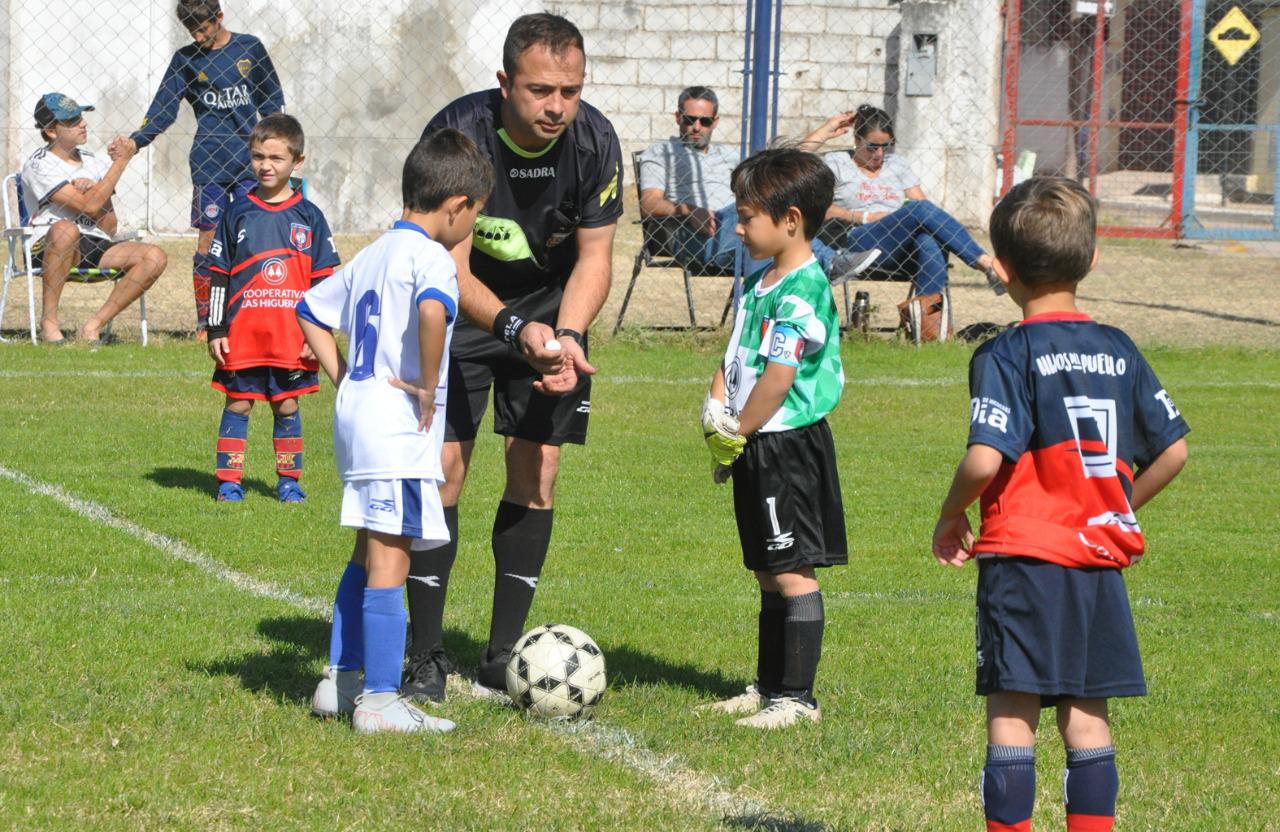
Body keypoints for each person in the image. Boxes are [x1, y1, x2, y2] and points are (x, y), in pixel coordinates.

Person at [931, 177, 1189, 831]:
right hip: (1097, 556)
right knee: (1087, 714)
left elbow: (984, 459)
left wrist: (951, 512)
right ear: (1092, 259)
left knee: (1012, 712)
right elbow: (1174, 452)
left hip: (1024, 557)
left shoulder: (1006, 352)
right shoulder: (1120, 348)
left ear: (1003, 269)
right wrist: (1115, 506)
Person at [399, 12, 621, 703]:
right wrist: (515, 326)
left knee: (538, 467)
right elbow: (450, 264)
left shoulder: (595, 140)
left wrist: (570, 336)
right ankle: (425, 655)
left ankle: (503, 655)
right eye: (539, 90)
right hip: (459, 312)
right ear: (505, 83)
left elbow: (596, 256)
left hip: (552, 314)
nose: (557, 106)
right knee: (444, 468)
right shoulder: (460, 133)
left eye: (570, 91)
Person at [299, 128, 493, 733]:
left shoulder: (373, 253)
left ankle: (341, 680)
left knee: (366, 547)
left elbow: (309, 309)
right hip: (396, 429)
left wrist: (345, 377)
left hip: (358, 421)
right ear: (457, 206)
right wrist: (429, 385)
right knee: (392, 556)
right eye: (476, 217)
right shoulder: (431, 257)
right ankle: (381, 700)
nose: (473, 228)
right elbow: (433, 310)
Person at [698, 147, 847, 729]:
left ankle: (798, 699)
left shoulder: (802, 290)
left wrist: (738, 430)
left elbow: (780, 379)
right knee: (766, 568)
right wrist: (717, 408)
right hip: (755, 438)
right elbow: (736, 354)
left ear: (790, 220)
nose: (738, 228)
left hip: (786, 446)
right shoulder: (763, 281)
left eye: (746, 217)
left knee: (792, 569)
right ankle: (767, 687)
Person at [118, 0, 284, 338]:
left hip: (251, 163)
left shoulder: (249, 48)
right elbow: (163, 108)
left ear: (219, 17)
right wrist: (136, 141)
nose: (198, 36)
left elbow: (271, 101)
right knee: (208, 243)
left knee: (253, 239)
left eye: (203, 28)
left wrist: (281, 147)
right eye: (191, 30)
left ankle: (250, 317)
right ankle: (207, 322)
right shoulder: (186, 60)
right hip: (209, 163)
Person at [204, 114, 338, 503]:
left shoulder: (310, 216)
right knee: (238, 403)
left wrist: (319, 334)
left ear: (298, 161)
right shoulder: (237, 212)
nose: (266, 165)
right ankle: (229, 482)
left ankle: (289, 482)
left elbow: (324, 284)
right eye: (258, 156)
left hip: (290, 335)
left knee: (287, 404)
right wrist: (217, 329)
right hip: (243, 334)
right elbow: (219, 274)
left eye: (276, 158)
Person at [638, 86, 878, 281]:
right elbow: (648, 203)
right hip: (696, 234)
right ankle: (830, 261)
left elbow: (774, 171)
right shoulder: (662, 153)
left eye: (705, 121)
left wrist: (823, 133)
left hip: (742, 225)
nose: (697, 127)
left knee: (773, 194)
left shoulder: (728, 155)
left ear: (716, 121)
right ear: (678, 117)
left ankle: (825, 266)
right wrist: (689, 210)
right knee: (761, 213)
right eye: (690, 119)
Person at [804, 104, 997, 340]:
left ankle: (926, 333)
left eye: (886, 146)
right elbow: (816, 204)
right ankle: (985, 263)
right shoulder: (836, 163)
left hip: (898, 247)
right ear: (857, 140)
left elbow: (923, 209)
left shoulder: (897, 164)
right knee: (919, 210)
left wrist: (900, 218)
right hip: (857, 242)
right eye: (872, 147)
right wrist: (864, 217)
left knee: (927, 239)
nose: (879, 154)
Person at [20, 93, 168, 344]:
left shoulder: (92, 162)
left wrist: (97, 191)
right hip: (48, 244)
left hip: (93, 242)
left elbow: (109, 226)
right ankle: (49, 322)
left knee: (154, 257)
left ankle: (93, 325)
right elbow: (88, 207)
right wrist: (120, 163)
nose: (83, 124)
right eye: (72, 121)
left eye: (81, 117)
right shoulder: (39, 165)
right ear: (51, 131)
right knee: (66, 229)